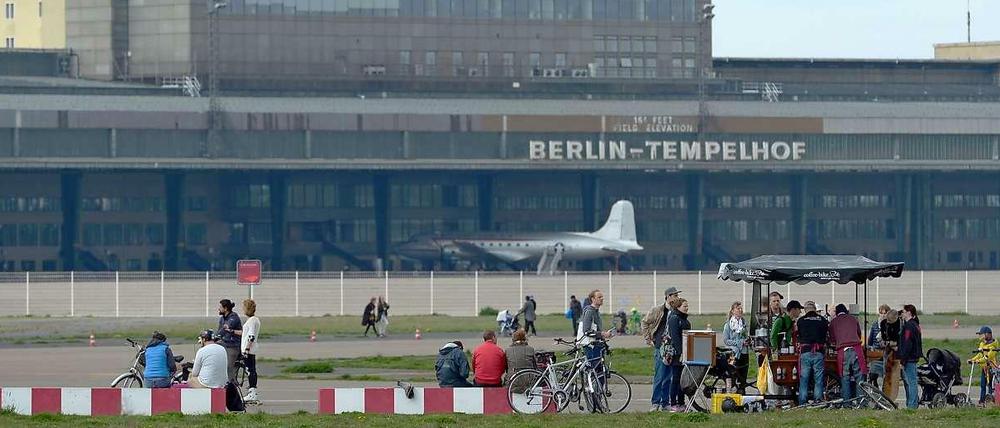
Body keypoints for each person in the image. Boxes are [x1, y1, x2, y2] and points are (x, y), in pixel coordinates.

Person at [640, 287, 681, 412]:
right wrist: (648, 338)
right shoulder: (658, 310)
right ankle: (655, 402)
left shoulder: (676, 311)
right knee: (659, 376)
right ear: (668, 297)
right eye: (675, 295)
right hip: (660, 347)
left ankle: (665, 403)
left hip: (672, 348)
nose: (677, 298)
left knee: (669, 377)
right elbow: (645, 322)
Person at [829, 304, 867, 401]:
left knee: (845, 377)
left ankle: (846, 402)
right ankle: (861, 401)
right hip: (856, 349)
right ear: (846, 311)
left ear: (837, 313)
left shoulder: (833, 322)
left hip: (843, 351)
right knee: (859, 377)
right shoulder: (853, 319)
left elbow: (832, 339)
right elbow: (859, 334)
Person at [796, 301, 828, 405]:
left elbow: (799, 335)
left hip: (805, 352)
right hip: (819, 352)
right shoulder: (823, 320)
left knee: (804, 378)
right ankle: (817, 400)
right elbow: (826, 334)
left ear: (805, 310)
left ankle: (802, 401)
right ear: (814, 309)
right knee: (818, 379)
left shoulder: (801, 320)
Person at [667, 298, 691, 412]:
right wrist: (681, 353)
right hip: (677, 354)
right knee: (676, 379)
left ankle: (682, 403)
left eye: (687, 306)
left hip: (685, 353)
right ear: (678, 307)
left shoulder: (685, 320)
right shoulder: (674, 319)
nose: (687, 308)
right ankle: (673, 403)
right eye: (684, 306)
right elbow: (675, 338)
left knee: (683, 380)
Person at [898, 304, 922, 409]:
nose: (902, 314)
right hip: (914, 356)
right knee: (912, 381)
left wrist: (902, 360)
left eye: (903, 312)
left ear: (909, 312)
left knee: (911, 382)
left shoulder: (908, 327)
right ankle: (913, 403)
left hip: (909, 358)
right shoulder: (916, 325)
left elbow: (907, 343)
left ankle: (912, 405)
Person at [722, 301, 750, 393]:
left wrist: (748, 341)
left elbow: (746, 336)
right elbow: (726, 340)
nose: (740, 310)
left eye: (741, 308)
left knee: (743, 376)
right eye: (738, 308)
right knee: (732, 375)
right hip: (733, 354)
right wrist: (739, 343)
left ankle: (742, 394)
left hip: (744, 352)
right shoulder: (728, 325)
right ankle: (731, 394)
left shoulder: (744, 324)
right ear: (733, 311)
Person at [237, 299, 261, 402]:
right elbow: (246, 333)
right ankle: (252, 392)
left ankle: (252, 393)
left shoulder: (252, 321)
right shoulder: (253, 320)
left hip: (249, 350)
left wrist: (246, 349)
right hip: (250, 349)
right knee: (250, 370)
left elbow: (251, 336)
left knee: (250, 370)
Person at [968, 326, 997, 405]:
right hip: (984, 368)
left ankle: (990, 401)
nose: (980, 336)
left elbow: (988, 357)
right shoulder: (982, 344)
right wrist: (973, 359)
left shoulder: (993, 346)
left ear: (988, 334)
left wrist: (979, 361)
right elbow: (980, 354)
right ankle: (981, 401)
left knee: (990, 385)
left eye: (982, 334)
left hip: (991, 368)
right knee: (982, 385)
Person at [880, 307, 903, 399]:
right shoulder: (883, 323)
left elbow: (900, 339)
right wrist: (887, 342)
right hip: (888, 349)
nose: (888, 322)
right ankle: (885, 394)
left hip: (897, 351)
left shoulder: (900, 324)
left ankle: (893, 395)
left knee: (897, 374)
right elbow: (883, 337)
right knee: (886, 372)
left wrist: (895, 344)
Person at [217, 299, 243, 382]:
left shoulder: (233, 317)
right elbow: (219, 332)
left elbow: (225, 329)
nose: (218, 309)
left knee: (228, 367)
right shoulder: (222, 319)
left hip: (232, 346)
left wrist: (218, 336)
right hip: (223, 344)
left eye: (220, 307)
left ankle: (232, 385)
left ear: (225, 308)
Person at [866, 305, 889, 388]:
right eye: (881, 313)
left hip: (886, 352)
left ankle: (884, 388)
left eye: (885, 313)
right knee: (873, 371)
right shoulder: (875, 324)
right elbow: (870, 340)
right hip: (876, 351)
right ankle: (874, 384)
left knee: (886, 372)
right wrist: (871, 347)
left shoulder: (890, 325)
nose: (883, 315)